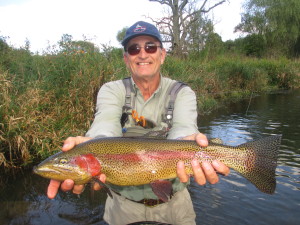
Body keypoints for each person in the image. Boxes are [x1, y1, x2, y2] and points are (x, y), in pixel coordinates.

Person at [47, 21, 230, 225]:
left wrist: (190, 141)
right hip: (122, 207)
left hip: (176, 206)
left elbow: (184, 129)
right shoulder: (111, 90)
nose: (142, 54)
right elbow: (105, 126)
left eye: (150, 47)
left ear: (162, 54)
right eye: (134, 49)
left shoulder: (182, 92)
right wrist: (95, 143)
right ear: (126, 58)